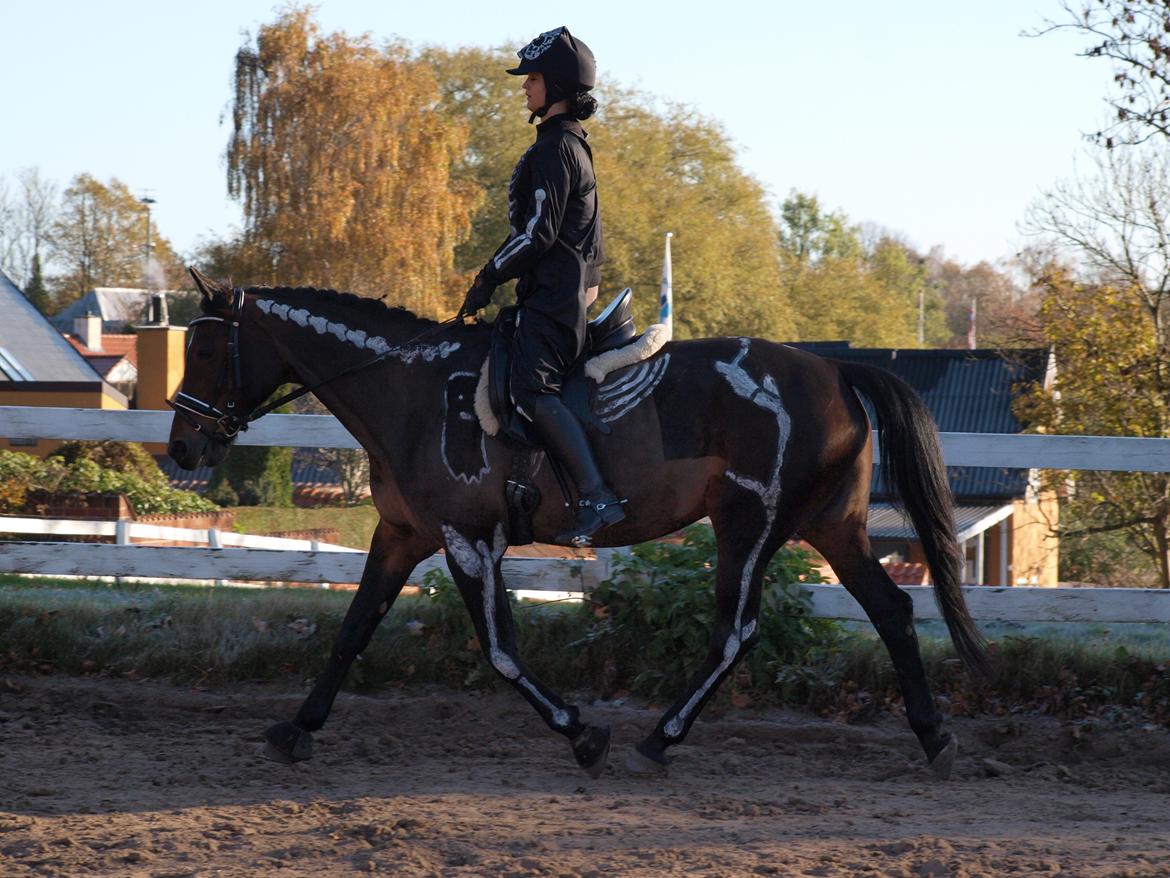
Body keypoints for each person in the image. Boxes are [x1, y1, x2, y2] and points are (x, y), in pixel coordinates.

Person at [460, 26, 626, 547]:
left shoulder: (556, 149)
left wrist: (488, 275)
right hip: (559, 293)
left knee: (532, 389)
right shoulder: (567, 144)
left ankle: (597, 497)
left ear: (554, 87)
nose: (525, 88)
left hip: (555, 299)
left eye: (531, 79)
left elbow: (538, 233)